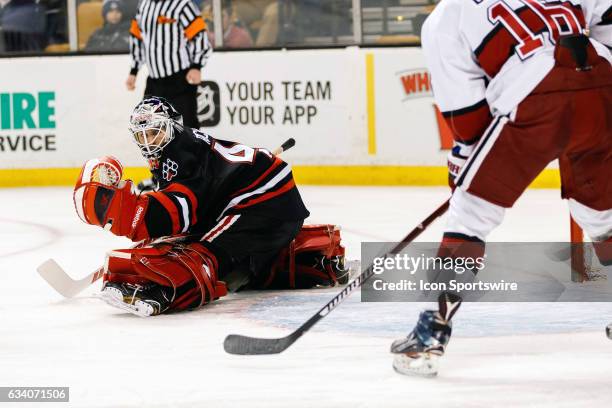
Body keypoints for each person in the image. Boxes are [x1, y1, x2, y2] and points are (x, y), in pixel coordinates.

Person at [390, 0, 611, 377]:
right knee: (601, 214)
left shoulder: (445, 18)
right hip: (604, 83)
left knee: (470, 215)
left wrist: (467, 175)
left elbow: (469, 121)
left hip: (535, 94)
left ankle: (429, 337)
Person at [73, 97, 347, 316]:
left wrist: (137, 213)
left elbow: (180, 212)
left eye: (155, 132)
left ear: (172, 127)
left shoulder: (181, 152)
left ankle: (168, 291)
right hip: (263, 201)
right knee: (238, 266)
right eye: (142, 135)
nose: (149, 141)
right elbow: (198, 206)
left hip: (262, 202)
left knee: (204, 253)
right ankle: (317, 260)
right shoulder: (177, 147)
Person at [126, 0, 212, 128]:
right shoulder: (144, 4)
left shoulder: (183, 4)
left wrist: (196, 66)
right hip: (154, 82)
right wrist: (134, 71)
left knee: (186, 130)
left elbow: (199, 35)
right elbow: (136, 36)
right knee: (149, 128)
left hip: (180, 81)